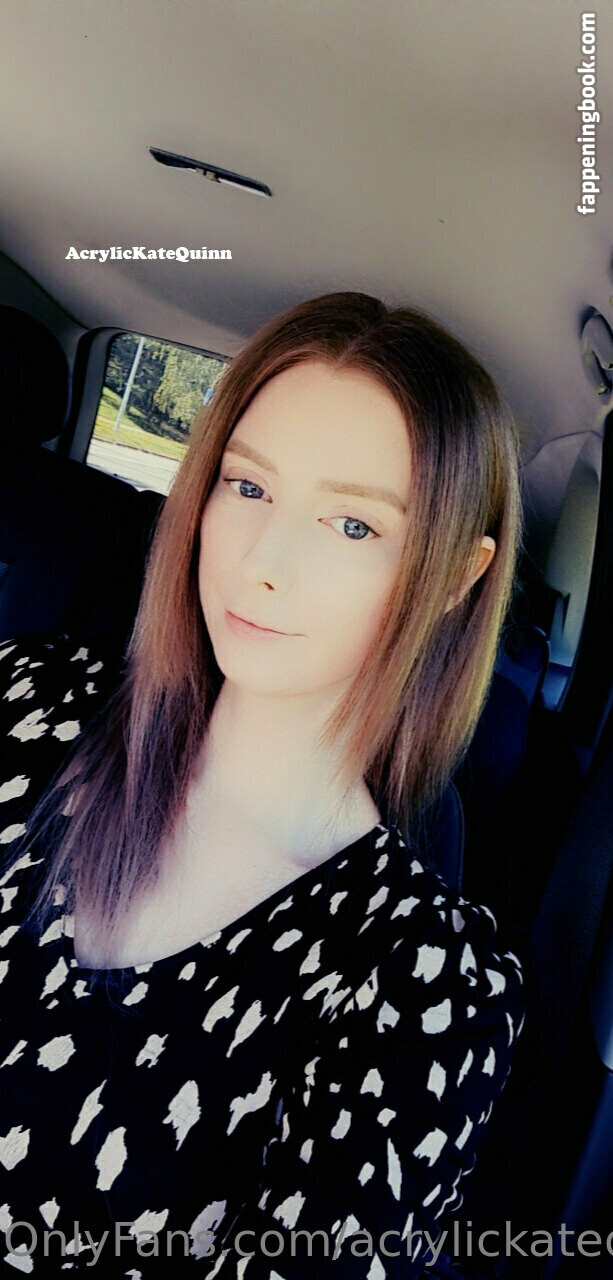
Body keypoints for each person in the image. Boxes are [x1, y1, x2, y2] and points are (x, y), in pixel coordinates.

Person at [0, 291, 525, 1277]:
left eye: (352, 525)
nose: (263, 562)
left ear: (457, 575)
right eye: (247, 486)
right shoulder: (29, 700)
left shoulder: (421, 987)